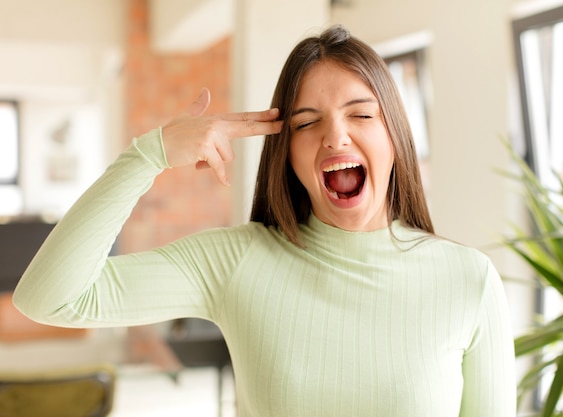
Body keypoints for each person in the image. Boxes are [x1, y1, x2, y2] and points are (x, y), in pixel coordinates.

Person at [13, 25, 516, 416]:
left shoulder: (469, 280)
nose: (335, 137)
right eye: (306, 122)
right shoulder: (237, 261)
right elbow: (49, 297)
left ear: (395, 138)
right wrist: (150, 154)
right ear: (287, 153)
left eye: (361, 115)